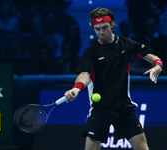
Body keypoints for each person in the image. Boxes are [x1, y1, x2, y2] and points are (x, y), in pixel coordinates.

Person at [64, 7, 163, 150]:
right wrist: (76, 88)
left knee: (142, 147)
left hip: (124, 108)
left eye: (104, 28)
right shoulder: (92, 50)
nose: (101, 32)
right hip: (100, 109)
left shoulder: (126, 44)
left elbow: (153, 57)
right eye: (97, 29)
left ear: (112, 25)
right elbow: (84, 74)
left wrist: (158, 66)